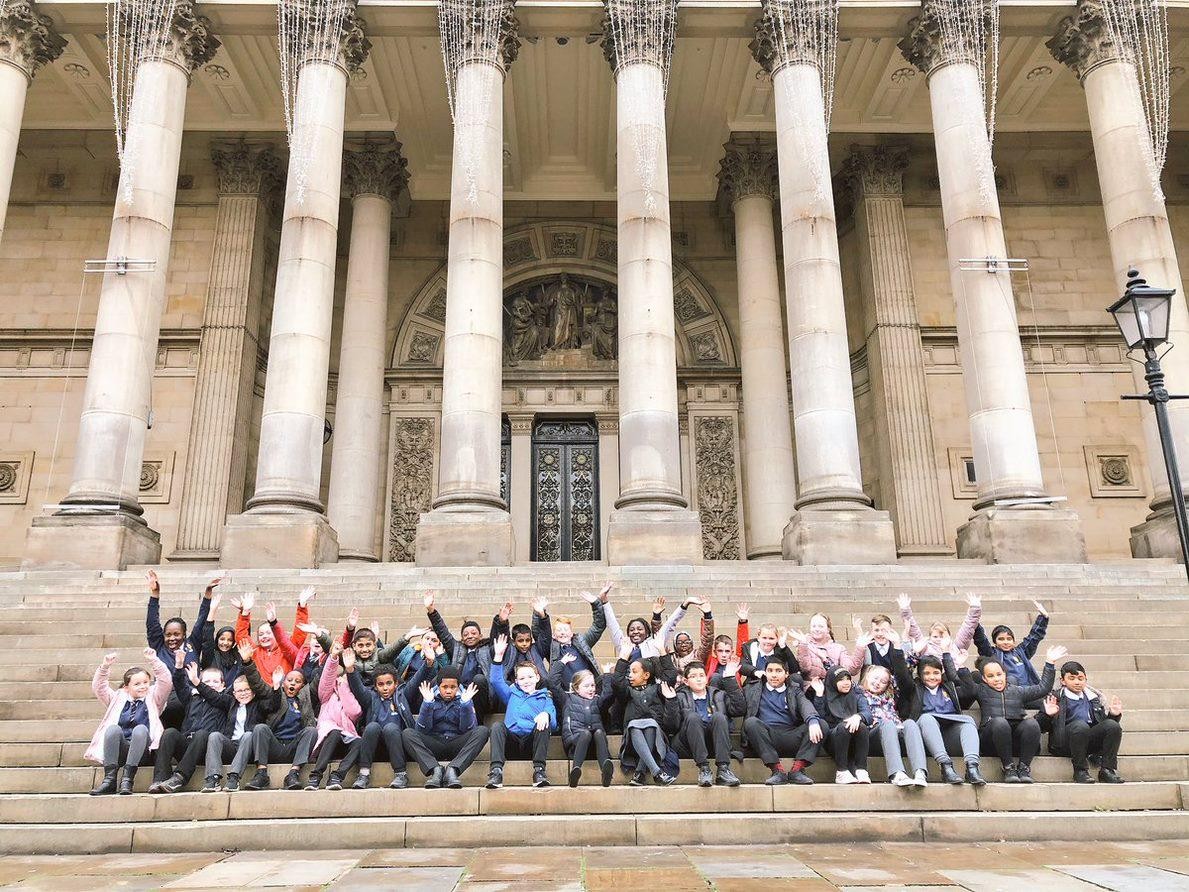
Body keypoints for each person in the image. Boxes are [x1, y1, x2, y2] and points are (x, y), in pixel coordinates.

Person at [959, 646, 1062, 783]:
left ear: (1005, 674)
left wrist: (1050, 663)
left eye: (999, 674)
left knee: (1031, 723)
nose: (996, 679)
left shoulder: (1017, 691)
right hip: (992, 740)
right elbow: (967, 687)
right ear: (983, 679)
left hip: (1015, 740)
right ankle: (1008, 768)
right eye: (990, 676)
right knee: (1000, 722)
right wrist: (959, 665)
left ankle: (1024, 768)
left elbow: (1043, 688)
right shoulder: (980, 690)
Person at [86, 647, 173, 796]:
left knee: (140, 729)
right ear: (126, 687)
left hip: (143, 751)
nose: (143, 686)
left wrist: (154, 661)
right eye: (137, 684)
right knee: (112, 730)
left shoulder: (154, 698)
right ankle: (109, 780)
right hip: (120, 750)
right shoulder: (117, 699)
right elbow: (99, 688)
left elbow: (166, 682)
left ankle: (127, 779)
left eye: (146, 682)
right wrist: (105, 666)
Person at [148, 650, 235, 793]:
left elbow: (213, 697)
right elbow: (181, 686)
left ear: (223, 685)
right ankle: (160, 778)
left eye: (215, 681)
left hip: (209, 749)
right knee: (170, 733)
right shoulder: (192, 698)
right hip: (188, 747)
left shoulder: (227, 700)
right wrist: (179, 666)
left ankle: (180, 777)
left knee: (201, 734)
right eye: (207, 681)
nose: (210, 684)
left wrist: (198, 683)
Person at [902, 647, 986, 786]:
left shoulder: (948, 688)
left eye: (936, 672)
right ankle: (945, 767)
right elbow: (903, 676)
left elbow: (970, 690)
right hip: (927, 736)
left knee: (969, 720)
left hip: (950, 734)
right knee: (927, 718)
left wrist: (957, 664)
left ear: (941, 673)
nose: (932, 676)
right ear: (920, 675)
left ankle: (972, 767)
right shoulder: (915, 688)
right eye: (927, 673)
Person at [344, 655, 429, 790]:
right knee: (372, 727)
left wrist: (428, 662)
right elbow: (358, 688)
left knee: (390, 728)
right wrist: (350, 670)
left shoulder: (403, 694)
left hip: (399, 747)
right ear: (376, 686)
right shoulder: (370, 698)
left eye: (389, 683)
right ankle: (363, 774)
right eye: (380, 684)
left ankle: (401, 775)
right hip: (375, 748)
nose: (385, 688)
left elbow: (417, 679)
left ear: (396, 684)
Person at [198, 642, 273, 792]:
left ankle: (234, 778)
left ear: (253, 692)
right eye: (239, 691)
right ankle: (213, 778)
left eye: (247, 690)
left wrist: (247, 662)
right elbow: (213, 696)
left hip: (249, 748)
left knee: (247, 735)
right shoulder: (230, 702)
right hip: (231, 745)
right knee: (214, 736)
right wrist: (197, 683)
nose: (243, 693)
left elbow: (272, 700)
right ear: (234, 693)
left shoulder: (260, 704)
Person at [145, 570, 215, 728]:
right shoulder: (158, 646)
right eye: (168, 634)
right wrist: (155, 594)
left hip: (190, 695)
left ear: (184, 634)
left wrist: (207, 595)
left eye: (176, 634)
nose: (172, 638)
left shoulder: (192, 644)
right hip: (166, 696)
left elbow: (201, 621)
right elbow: (152, 623)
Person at [487, 634, 557, 789]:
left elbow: (554, 723)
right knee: (497, 726)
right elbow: (495, 681)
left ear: (537, 677)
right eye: (522, 678)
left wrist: (546, 714)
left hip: (532, 744)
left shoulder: (544, 696)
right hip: (511, 743)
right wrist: (498, 656)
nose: (527, 681)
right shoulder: (511, 694)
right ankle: (496, 772)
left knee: (545, 723)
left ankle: (539, 771)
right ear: (516, 681)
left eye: (530, 677)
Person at [402, 668, 490, 789]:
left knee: (483, 731)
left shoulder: (464, 697)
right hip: (435, 743)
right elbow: (421, 731)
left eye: (453, 687)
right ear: (438, 686)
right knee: (407, 733)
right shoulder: (430, 696)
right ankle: (435, 770)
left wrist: (465, 705)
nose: (448, 691)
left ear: (458, 687)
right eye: (445, 687)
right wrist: (427, 704)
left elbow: (468, 730)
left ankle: (453, 770)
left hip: (456, 743)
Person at [1040, 660, 1125, 784]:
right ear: (1063, 680)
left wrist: (1113, 715)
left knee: (1113, 726)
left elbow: (1103, 727)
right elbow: (1041, 727)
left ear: (1085, 680)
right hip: (1064, 742)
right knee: (1080, 725)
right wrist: (1048, 715)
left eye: (1080, 678)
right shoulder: (1055, 697)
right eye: (1072, 678)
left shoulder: (1093, 698)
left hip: (1087, 741)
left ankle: (1107, 770)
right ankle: (1080, 771)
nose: (1077, 682)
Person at [741, 657, 823, 785]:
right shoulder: (752, 689)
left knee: (820, 724)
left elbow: (805, 704)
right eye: (770, 670)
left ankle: (797, 770)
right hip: (766, 737)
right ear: (765, 672)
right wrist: (729, 680)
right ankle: (777, 771)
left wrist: (812, 720)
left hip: (791, 736)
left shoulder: (794, 690)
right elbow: (736, 707)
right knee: (751, 722)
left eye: (778, 671)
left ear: (786, 674)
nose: (774, 675)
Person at [612, 642, 680, 786]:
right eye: (629, 672)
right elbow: (617, 682)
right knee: (634, 725)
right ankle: (657, 773)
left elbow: (670, 677)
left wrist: (662, 651)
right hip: (633, 739)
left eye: (634, 672)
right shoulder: (627, 692)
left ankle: (640, 772)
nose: (630, 675)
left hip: (656, 739)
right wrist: (623, 658)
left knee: (651, 724)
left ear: (646, 675)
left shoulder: (657, 689)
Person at [859, 647, 928, 788]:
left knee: (909, 723)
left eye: (883, 681)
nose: (878, 682)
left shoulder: (890, 696)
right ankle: (897, 773)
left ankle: (920, 772)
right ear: (867, 677)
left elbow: (903, 674)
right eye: (875, 678)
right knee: (887, 724)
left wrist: (909, 652)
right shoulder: (858, 693)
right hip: (874, 735)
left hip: (897, 734)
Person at [243, 662, 317, 791]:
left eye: (297, 681)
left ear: (303, 686)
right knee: (260, 728)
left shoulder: (306, 697)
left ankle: (293, 774)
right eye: (289, 680)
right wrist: (247, 662)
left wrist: (332, 656)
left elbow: (323, 676)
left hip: (294, 749)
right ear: (284, 683)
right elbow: (257, 683)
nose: (293, 683)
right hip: (274, 746)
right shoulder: (275, 694)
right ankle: (261, 774)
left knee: (311, 731)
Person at [424, 592, 499, 717]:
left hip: (484, 696)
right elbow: (443, 632)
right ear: (462, 639)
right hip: (459, 693)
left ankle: (478, 722)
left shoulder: (488, 649)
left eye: (474, 633)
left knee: (479, 679)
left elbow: (499, 637)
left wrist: (501, 622)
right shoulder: (457, 649)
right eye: (466, 634)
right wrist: (431, 611)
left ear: (480, 636)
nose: (470, 636)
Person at [671, 661, 744, 787]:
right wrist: (670, 701)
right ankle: (704, 769)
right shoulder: (680, 697)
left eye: (701, 675)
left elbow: (739, 709)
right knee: (693, 717)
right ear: (686, 681)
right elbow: (671, 726)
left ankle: (723, 769)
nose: (698, 679)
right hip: (689, 744)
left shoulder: (718, 695)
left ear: (707, 678)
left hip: (713, 743)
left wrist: (730, 680)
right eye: (693, 676)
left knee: (719, 717)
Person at [547, 658, 616, 788]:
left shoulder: (597, 701)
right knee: (585, 733)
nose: (591, 689)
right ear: (576, 688)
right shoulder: (567, 699)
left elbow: (608, 695)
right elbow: (552, 683)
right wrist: (561, 663)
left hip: (596, 748)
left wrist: (607, 675)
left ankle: (605, 771)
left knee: (599, 732)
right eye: (586, 686)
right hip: (575, 745)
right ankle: (575, 771)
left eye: (593, 685)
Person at [306, 643, 363, 791]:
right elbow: (327, 678)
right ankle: (316, 776)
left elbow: (355, 712)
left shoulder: (349, 692)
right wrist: (333, 657)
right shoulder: (326, 695)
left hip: (346, 737)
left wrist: (344, 688)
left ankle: (337, 776)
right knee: (335, 731)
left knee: (359, 742)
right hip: (328, 738)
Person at [536, 585, 610, 689]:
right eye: (559, 630)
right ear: (554, 635)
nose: (562, 633)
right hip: (564, 695)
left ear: (571, 633)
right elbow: (542, 635)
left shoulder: (582, 642)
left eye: (566, 630)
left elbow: (598, 626)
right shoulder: (551, 648)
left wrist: (596, 604)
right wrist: (540, 615)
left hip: (587, 692)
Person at [810, 666, 874, 784]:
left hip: (854, 739)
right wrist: (819, 694)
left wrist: (857, 717)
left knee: (862, 726)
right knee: (843, 727)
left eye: (848, 679)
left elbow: (868, 715)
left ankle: (861, 770)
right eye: (841, 680)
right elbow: (819, 718)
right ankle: (842, 771)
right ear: (833, 682)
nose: (846, 683)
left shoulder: (856, 693)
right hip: (833, 740)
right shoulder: (825, 695)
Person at [972, 600, 1051, 695]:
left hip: (1027, 692)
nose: (1005, 642)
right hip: (1006, 693)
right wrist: (974, 616)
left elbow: (1034, 637)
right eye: (1001, 639)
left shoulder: (1021, 651)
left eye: (1009, 639)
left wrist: (1043, 618)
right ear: (995, 642)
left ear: (1013, 641)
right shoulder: (991, 655)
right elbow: (981, 640)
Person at [233, 591, 303, 681]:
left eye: (268, 633)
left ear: (276, 634)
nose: (264, 636)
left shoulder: (286, 650)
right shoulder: (255, 652)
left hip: (284, 692)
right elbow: (241, 636)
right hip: (261, 692)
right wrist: (245, 612)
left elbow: (300, 633)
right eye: (261, 634)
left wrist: (302, 607)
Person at [341, 607, 417, 688]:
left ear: (374, 644)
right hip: (357, 693)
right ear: (354, 646)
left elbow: (392, 651)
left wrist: (406, 637)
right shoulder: (350, 657)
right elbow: (335, 648)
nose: (364, 649)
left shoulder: (379, 654)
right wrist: (350, 628)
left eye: (368, 645)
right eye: (360, 645)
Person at [899, 593, 982, 661]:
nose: (939, 639)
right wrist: (905, 610)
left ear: (949, 636)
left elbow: (967, 631)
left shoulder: (955, 646)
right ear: (930, 636)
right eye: (935, 636)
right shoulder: (924, 646)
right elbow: (913, 630)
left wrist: (975, 609)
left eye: (942, 637)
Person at [792, 614, 867, 684]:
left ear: (828, 629)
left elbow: (851, 670)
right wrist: (803, 645)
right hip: (811, 689)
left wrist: (860, 647)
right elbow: (805, 669)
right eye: (814, 626)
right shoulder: (804, 645)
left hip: (834, 689)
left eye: (820, 626)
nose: (817, 629)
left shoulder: (839, 648)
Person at [705, 603, 750, 684]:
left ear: (732, 652)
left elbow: (743, 646)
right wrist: (707, 616)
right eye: (720, 651)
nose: (724, 655)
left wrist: (743, 622)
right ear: (715, 652)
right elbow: (706, 641)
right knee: (715, 677)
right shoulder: (710, 662)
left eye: (727, 651)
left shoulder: (735, 663)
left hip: (732, 694)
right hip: (713, 694)